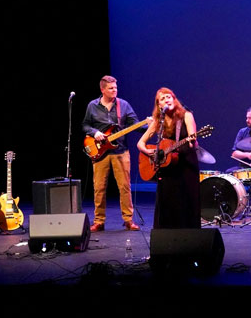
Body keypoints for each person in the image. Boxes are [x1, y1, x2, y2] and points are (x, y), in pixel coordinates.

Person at [83, 75, 146, 232]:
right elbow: (85, 125)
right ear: (102, 89)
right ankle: (99, 221)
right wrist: (95, 132)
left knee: (124, 186)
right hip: (99, 152)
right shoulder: (92, 106)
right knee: (99, 188)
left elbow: (135, 125)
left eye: (116, 88)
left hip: (120, 151)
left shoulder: (123, 105)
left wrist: (149, 125)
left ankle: (128, 220)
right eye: (111, 88)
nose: (114, 90)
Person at [137, 87, 201, 229]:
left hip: (186, 164)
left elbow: (192, 139)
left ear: (174, 99)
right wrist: (149, 152)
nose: (167, 99)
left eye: (169, 96)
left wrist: (192, 141)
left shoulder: (186, 115)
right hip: (167, 168)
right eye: (162, 98)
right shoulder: (158, 121)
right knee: (167, 202)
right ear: (159, 105)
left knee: (186, 201)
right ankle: (166, 236)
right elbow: (140, 143)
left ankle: (189, 236)